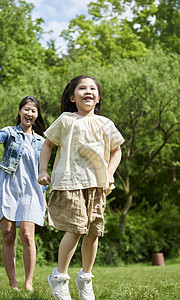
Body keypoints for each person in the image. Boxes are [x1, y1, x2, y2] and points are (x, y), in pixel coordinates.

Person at [38, 75, 125, 300]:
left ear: (98, 97)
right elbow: (47, 144)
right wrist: (43, 171)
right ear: (72, 97)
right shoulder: (66, 120)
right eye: (82, 88)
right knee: (76, 229)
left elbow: (117, 150)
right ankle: (59, 277)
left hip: (97, 184)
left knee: (93, 232)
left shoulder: (106, 123)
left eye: (92, 88)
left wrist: (108, 173)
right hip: (71, 181)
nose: (88, 91)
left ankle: (85, 278)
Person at [0, 96, 47, 292]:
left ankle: (29, 282)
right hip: (9, 186)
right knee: (8, 235)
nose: (29, 113)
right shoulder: (9, 132)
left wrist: (43, 193)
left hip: (31, 190)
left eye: (33, 110)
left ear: (37, 115)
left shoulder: (41, 141)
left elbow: (42, 169)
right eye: (26, 109)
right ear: (20, 111)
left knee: (28, 236)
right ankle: (13, 283)